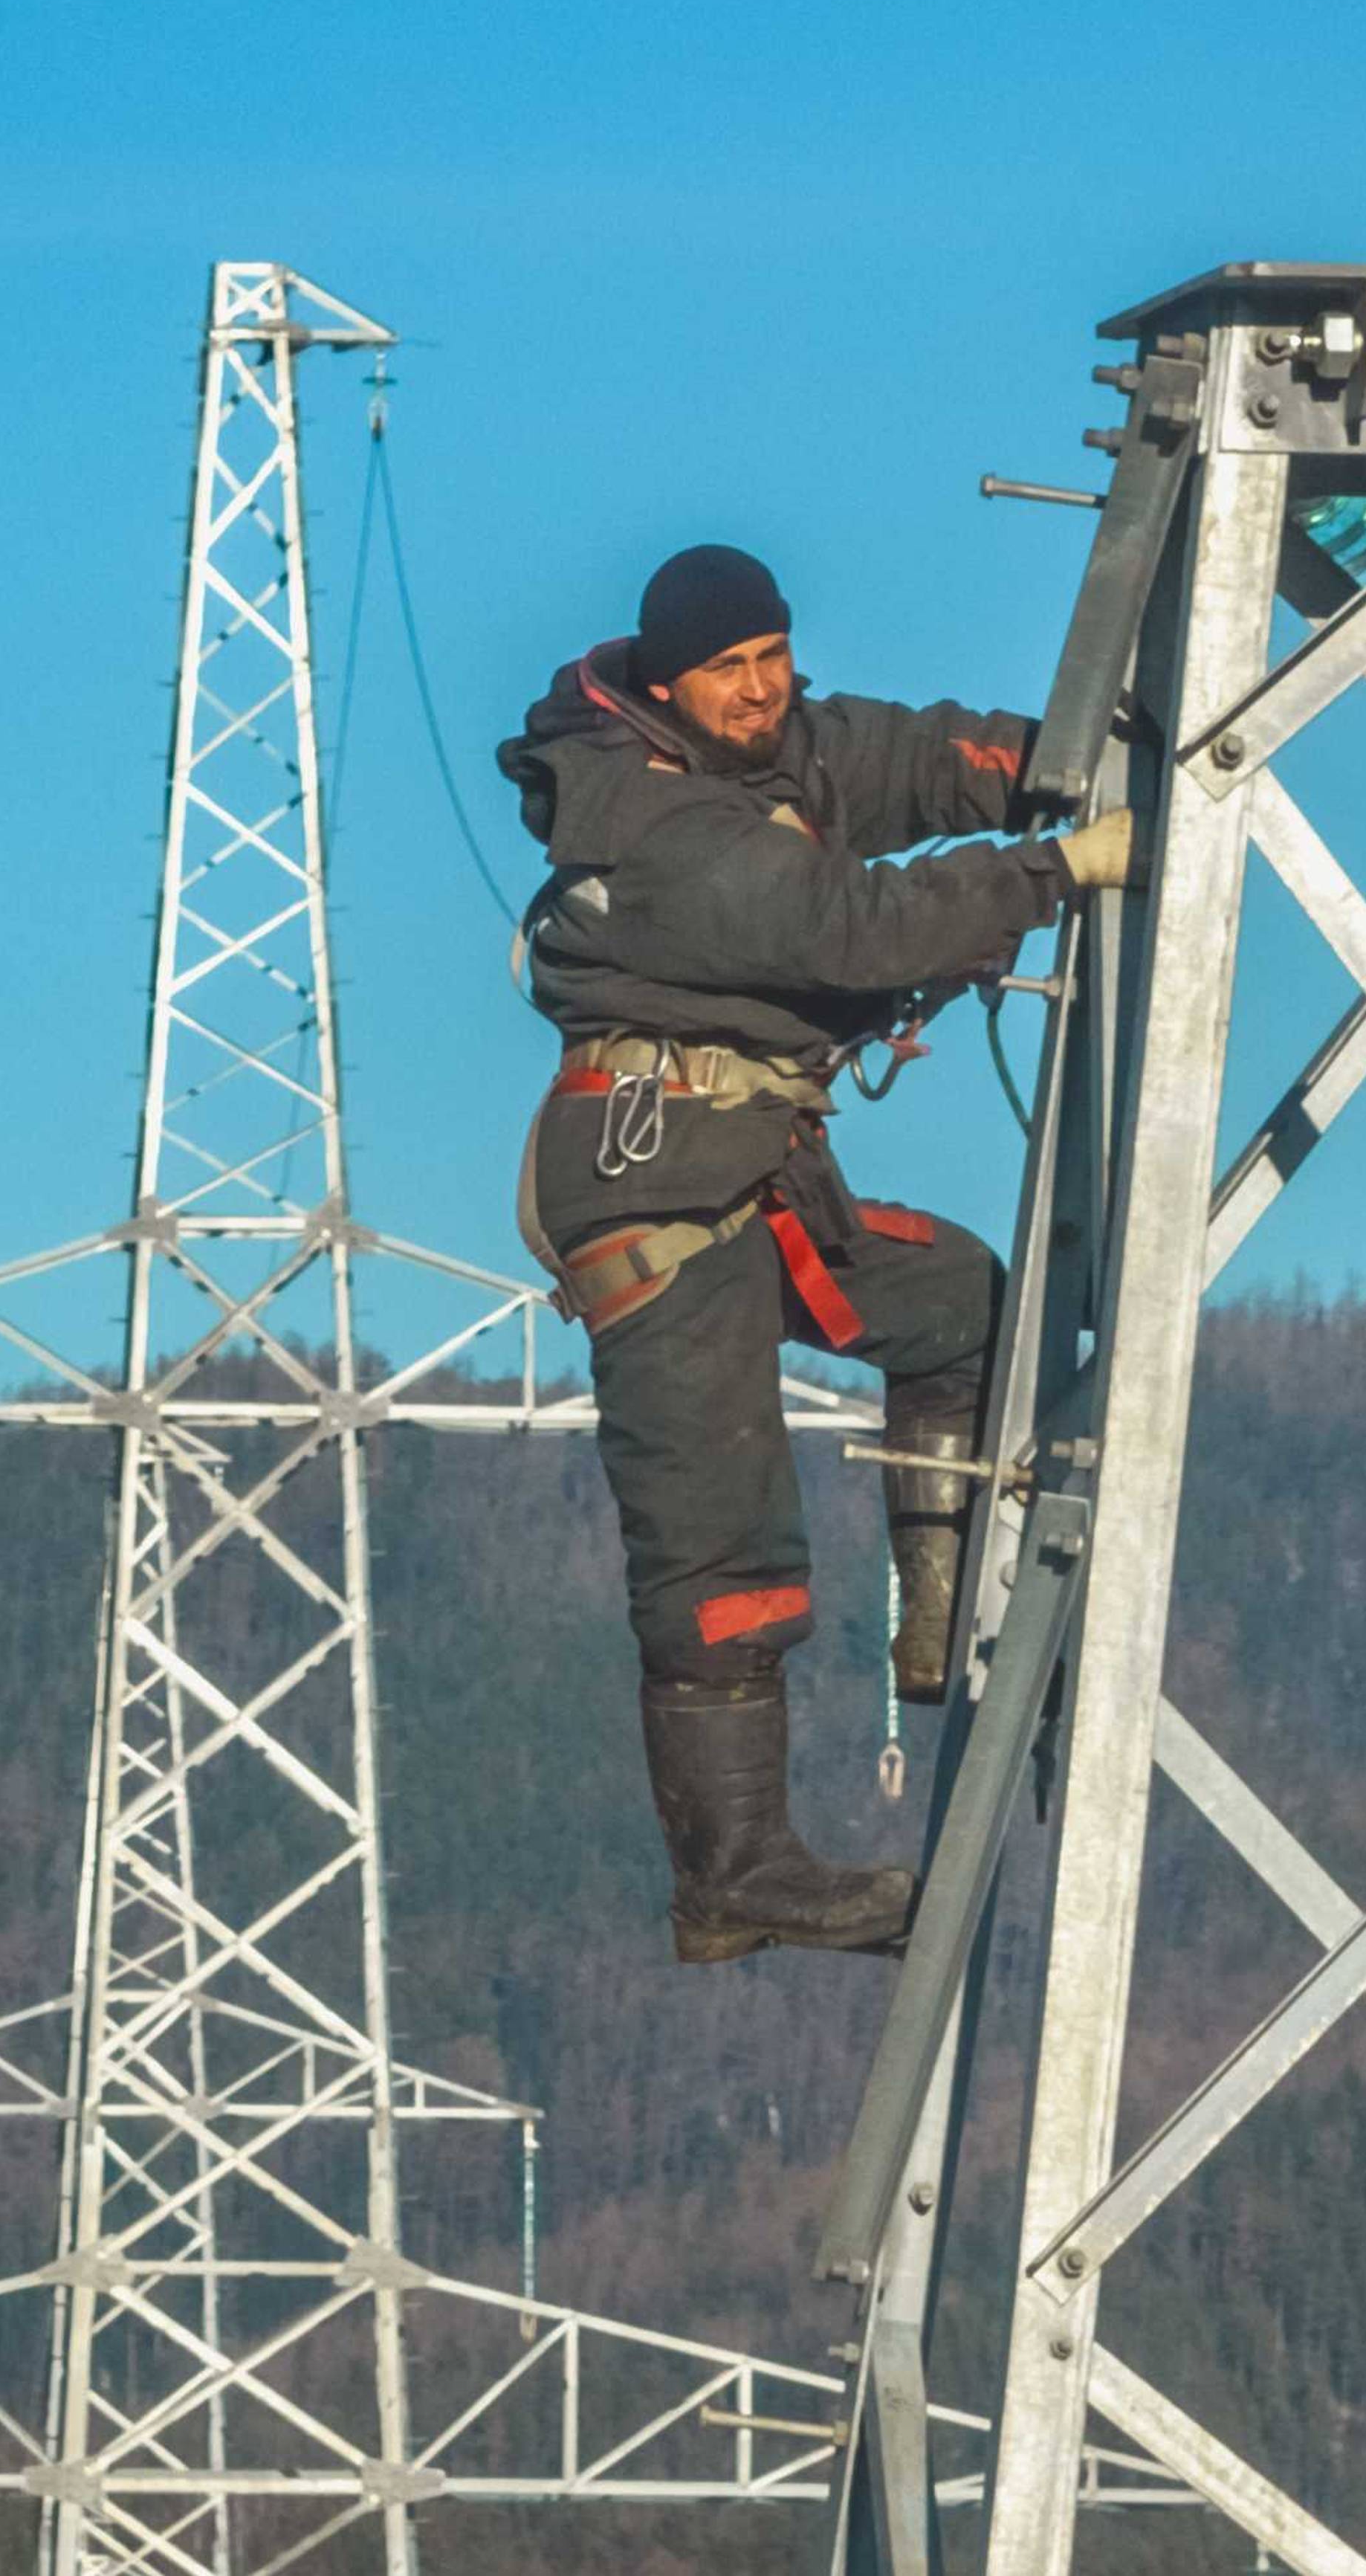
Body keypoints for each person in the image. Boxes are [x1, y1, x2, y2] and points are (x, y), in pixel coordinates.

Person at [498, 544, 1134, 1961]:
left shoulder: (773, 748)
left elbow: (911, 760)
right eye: (730, 669)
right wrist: (1053, 868)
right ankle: (734, 1877)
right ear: (665, 687)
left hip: (759, 1173)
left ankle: (939, 1621)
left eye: (773, 656)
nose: (762, 689)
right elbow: (845, 927)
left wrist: (1069, 760)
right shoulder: (649, 825)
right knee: (718, 1538)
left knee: (958, 1304)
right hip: (656, 1196)